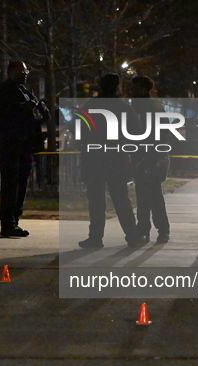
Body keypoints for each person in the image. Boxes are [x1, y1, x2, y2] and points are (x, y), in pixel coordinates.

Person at [77, 73, 139, 249]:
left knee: (96, 200)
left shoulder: (89, 106)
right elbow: (136, 132)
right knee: (121, 199)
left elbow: (79, 130)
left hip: (94, 159)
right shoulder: (123, 108)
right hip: (116, 159)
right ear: (117, 87)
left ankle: (95, 237)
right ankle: (132, 236)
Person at [0, 60, 49, 237]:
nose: (25, 74)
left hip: (24, 145)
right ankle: (7, 222)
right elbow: (1, 113)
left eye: (26, 71)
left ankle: (14, 219)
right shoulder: (4, 90)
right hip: (10, 145)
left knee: (21, 184)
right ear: (11, 72)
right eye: (21, 71)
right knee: (11, 184)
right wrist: (26, 107)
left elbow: (29, 120)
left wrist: (43, 113)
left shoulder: (26, 91)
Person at [130, 76, 171, 244]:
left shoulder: (142, 107)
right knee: (153, 194)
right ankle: (161, 230)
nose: (132, 89)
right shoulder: (154, 105)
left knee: (146, 195)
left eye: (134, 87)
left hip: (147, 155)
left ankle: (147, 230)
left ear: (141, 88)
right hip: (152, 155)